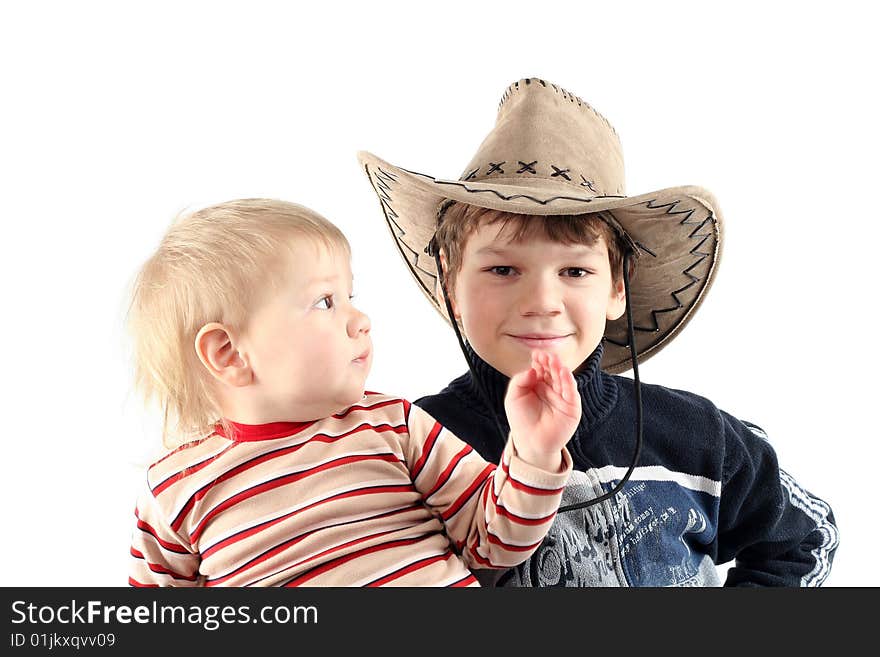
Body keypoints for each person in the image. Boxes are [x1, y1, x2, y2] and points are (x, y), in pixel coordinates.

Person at [358, 77, 839, 586]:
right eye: (502, 270)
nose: (542, 303)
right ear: (451, 284)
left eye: (574, 271)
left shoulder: (696, 435)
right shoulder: (413, 448)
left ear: (617, 290)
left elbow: (806, 535)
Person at [126, 198, 576, 587]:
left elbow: (494, 543)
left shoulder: (392, 425)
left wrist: (535, 452)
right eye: (325, 301)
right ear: (228, 352)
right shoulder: (175, 493)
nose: (360, 320)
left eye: (350, 295)